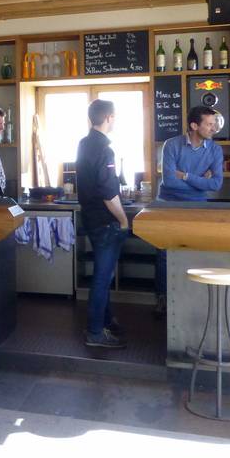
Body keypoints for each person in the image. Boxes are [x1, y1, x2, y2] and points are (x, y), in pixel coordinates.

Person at [153, 105, 224, 314]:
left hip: (198, 207)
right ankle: (163, 299)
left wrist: (185, 176)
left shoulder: (215, 149)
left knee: (195, 251)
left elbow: (216, 184)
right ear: (194, 125)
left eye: (214, 124)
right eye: (209, 124)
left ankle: (192, 301)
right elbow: (169, 181)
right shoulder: (171, 145)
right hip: (168, 206)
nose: (213, 129)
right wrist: (201, 181)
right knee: (164, 254)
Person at [76, 99, 129, 348]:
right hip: (105, 221)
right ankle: (95, 332)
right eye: (114, 116)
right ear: (109, 117)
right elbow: (109, 194)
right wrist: (123, 220)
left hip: (89, 217)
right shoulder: (105, 150)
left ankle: (106, 321)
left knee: (103, 276)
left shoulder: (84, 144)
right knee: (102, 277)